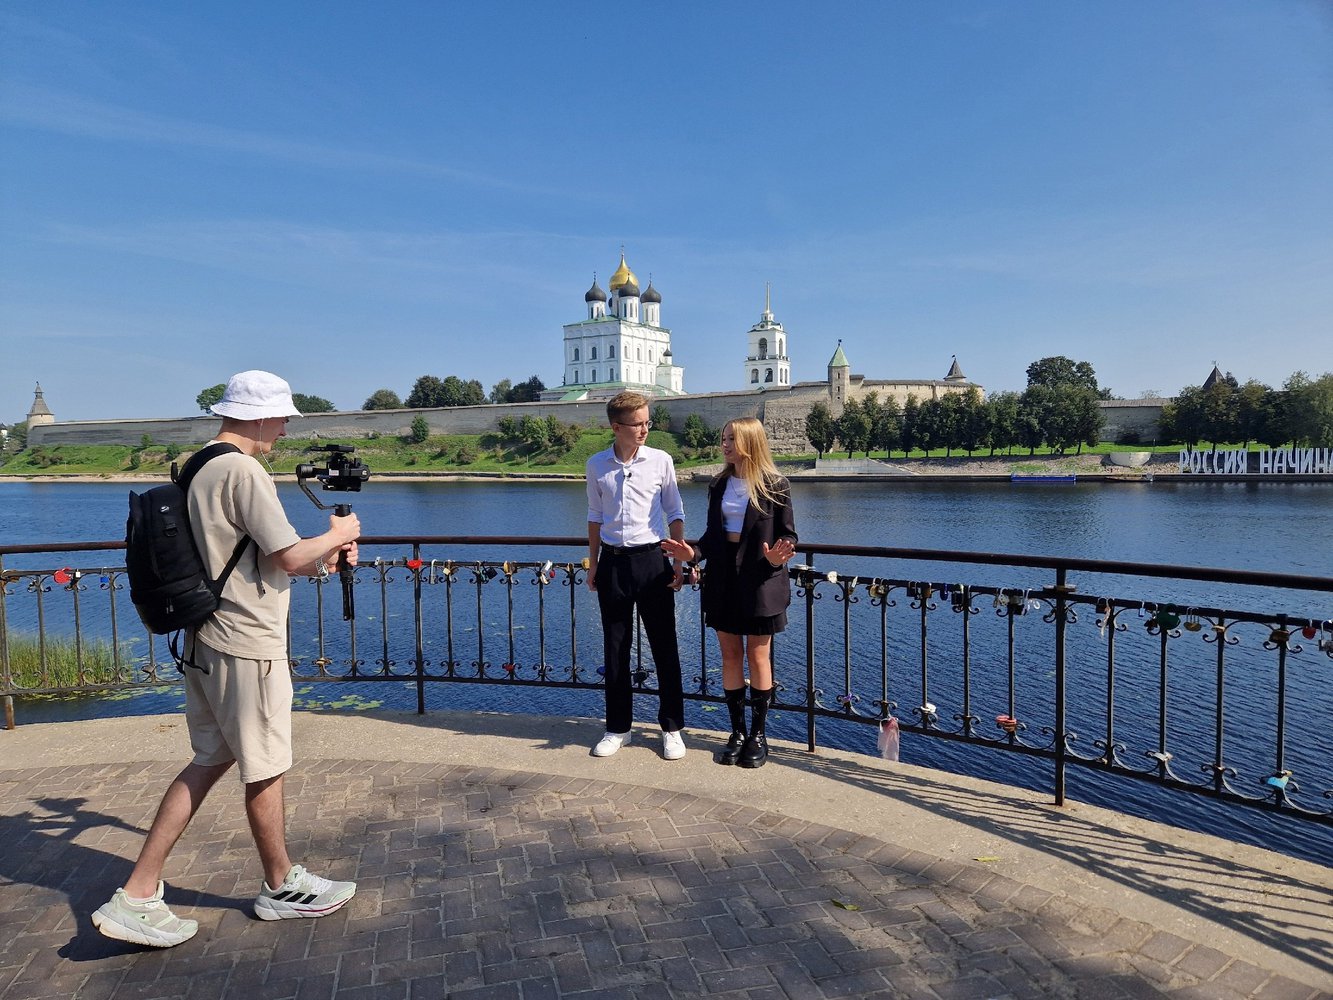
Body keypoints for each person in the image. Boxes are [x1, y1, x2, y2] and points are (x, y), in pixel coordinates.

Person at [92, 370, 363, 948]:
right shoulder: (244, 470)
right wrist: (339, 533)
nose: (286, 428)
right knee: (265, 766)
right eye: (283, 417)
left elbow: (245, 557)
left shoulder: (199, 464)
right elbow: (287, 557)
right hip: (246, 642)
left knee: (207, 761)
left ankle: (138, 893)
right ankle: (280, 886)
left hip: (203, 636)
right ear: (261, 415)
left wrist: (323, 558)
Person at [662, 417, 796, 768]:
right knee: (730, 656)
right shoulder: (719, 484)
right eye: (723, 438)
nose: (724, 445)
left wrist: (774, 556)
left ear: (750, 442)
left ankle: (759, 735)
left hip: (761, 580)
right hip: (722, 578)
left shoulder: (775, 485)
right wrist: (692, 555)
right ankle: (736, 732)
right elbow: (710, 537)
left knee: (758, 656)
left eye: (731, 439)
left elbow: (789, 535)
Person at [585, 391, 689, 760]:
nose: (645, 428)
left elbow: (675, 512)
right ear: (617, 427)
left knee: (665, 645)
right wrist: (594, 563)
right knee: (615, 649)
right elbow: (595, 517)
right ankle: (618, 728)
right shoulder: (597, 464)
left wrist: (679, 562)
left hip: (652, 560)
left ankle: (673, 728)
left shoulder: (661, 461)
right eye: (638, 423)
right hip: (613, 563)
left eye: (648, 421)